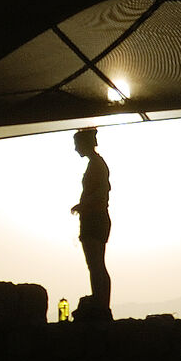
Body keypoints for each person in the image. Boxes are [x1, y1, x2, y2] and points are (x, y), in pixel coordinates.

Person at [70, 127, 112, 320]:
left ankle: (100, 303)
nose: (76, 149)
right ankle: (100, 302)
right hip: (95, 217)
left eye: (77, 145)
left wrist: (83, 204)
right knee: (97, 264)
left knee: (95, 264)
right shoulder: (96, 163)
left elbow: (102, 190)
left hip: (94, 218)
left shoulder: (96, 164)